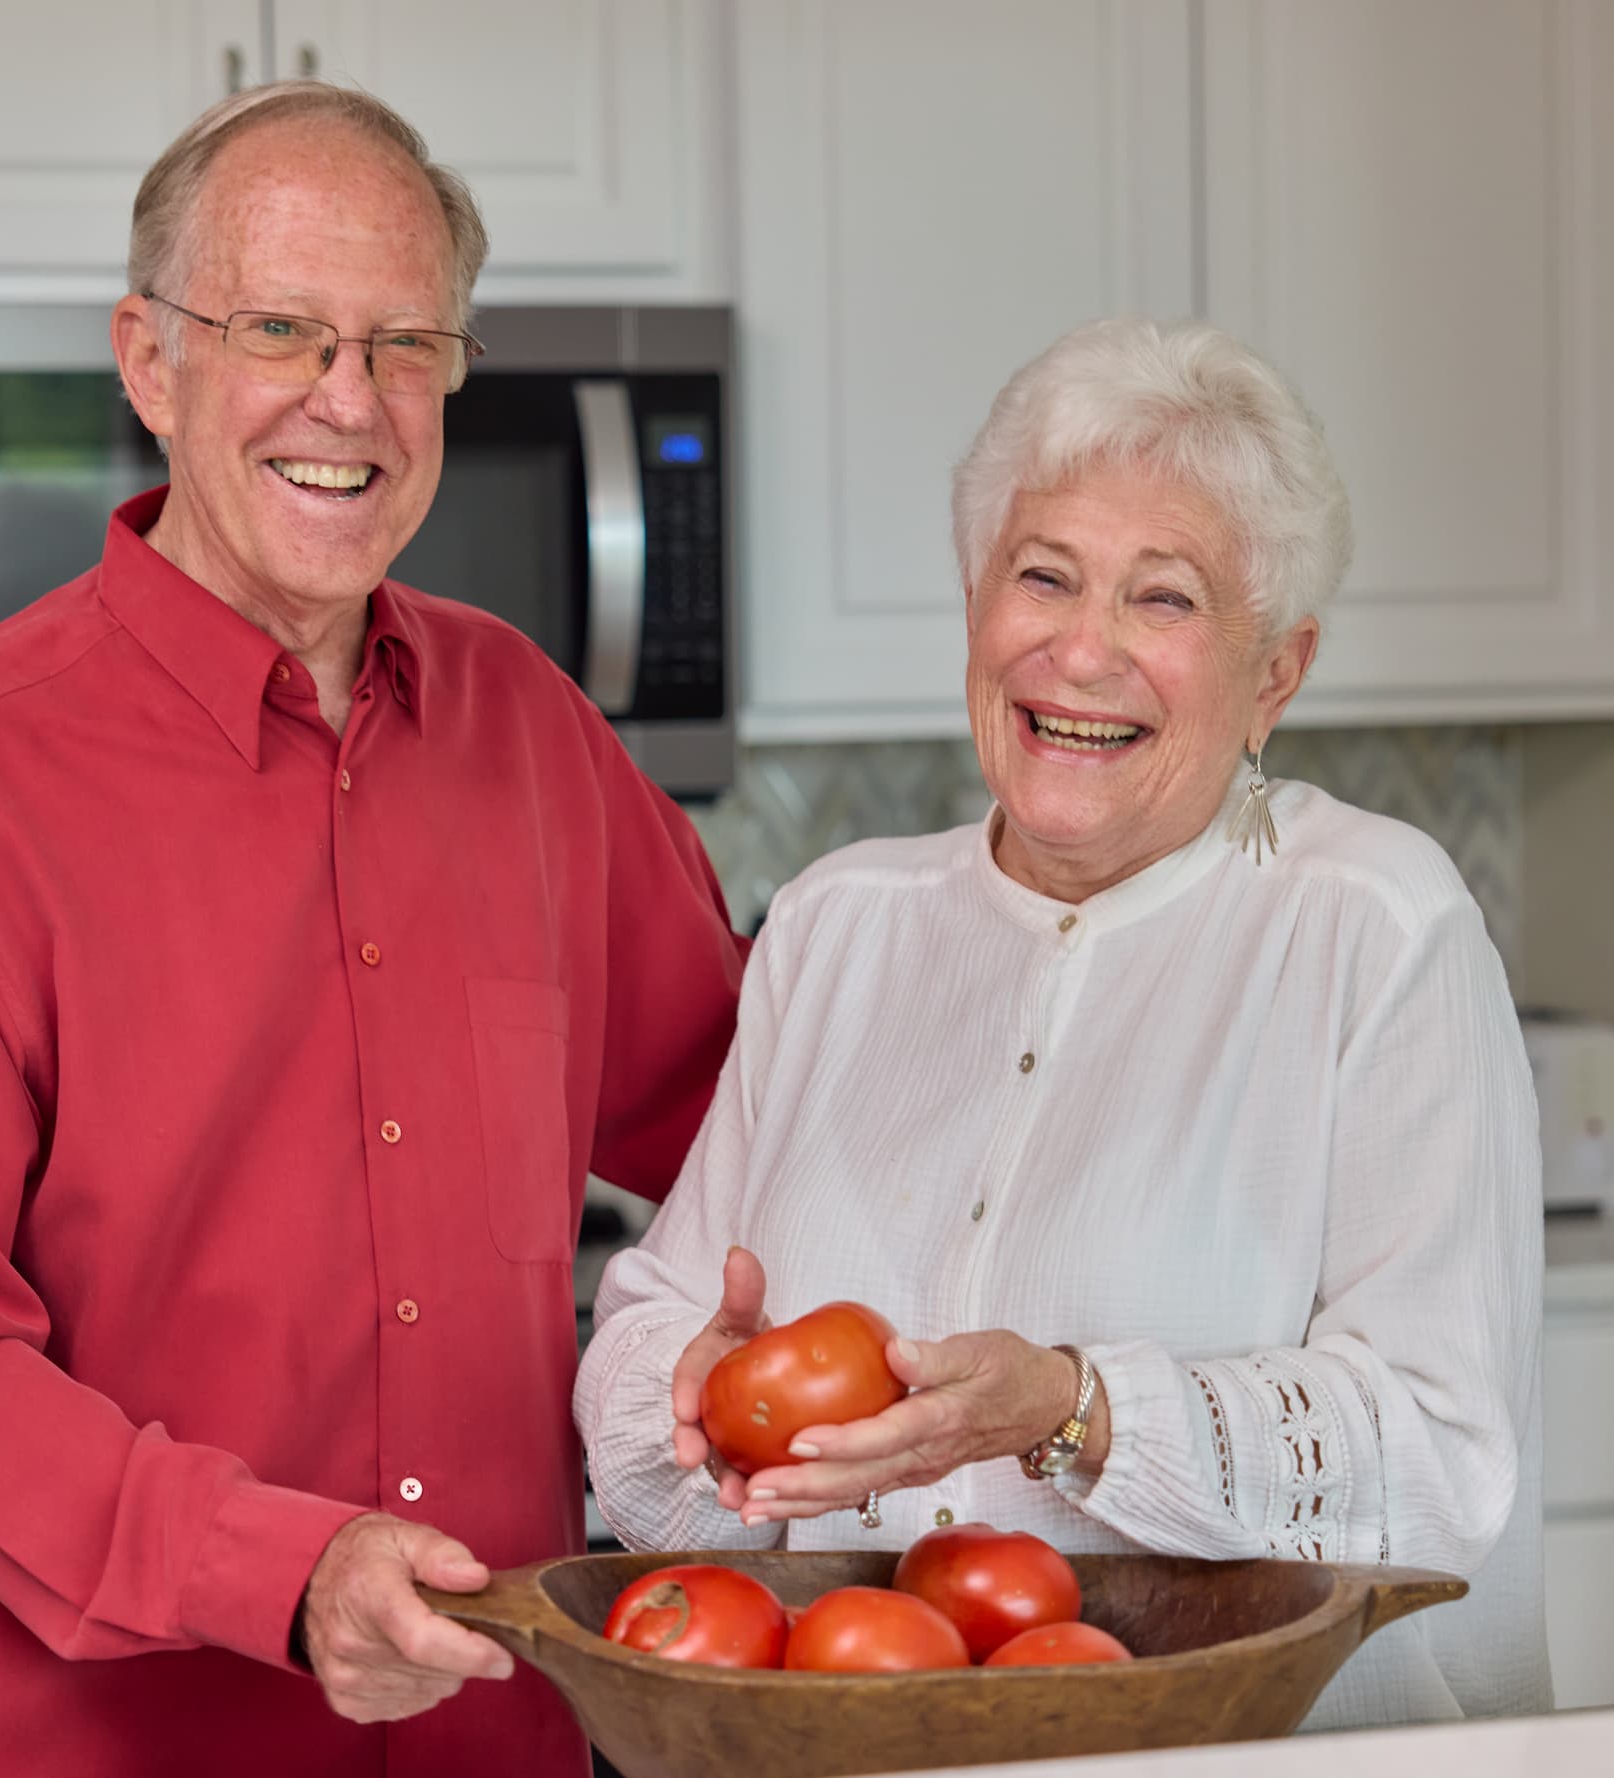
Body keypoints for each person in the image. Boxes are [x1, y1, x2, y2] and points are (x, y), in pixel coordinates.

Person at [0, 81, 745, 1778]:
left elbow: (750, 1120)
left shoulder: (530, 731)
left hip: (490, 1735)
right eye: (284, 330)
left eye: (404, 344)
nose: (349, 400)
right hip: (115, 1748)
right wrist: (283, 1572)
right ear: (150, 364)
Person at [574, 316, 1549, 1729]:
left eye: (1163, 600)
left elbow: (1442, 1458)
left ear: (1273, 674)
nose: (1079, 649)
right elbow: (653, 1339)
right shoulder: (839, 923)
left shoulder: (1374, 925)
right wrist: (691, 1389)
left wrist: (1074, 1411)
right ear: (976, 602)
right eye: (1042, 576)